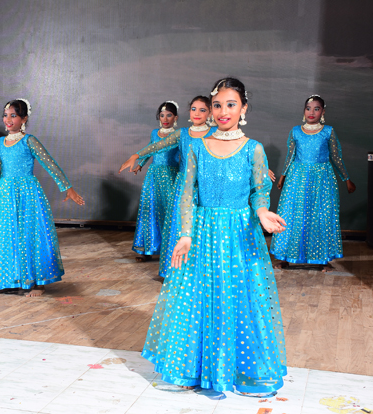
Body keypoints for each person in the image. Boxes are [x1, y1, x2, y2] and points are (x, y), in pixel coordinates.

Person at [142, 78, 287, 396]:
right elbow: (187, 194)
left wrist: (263, 212)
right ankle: (190, 368)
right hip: (202, 233)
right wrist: (185, 234)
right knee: (195, 298)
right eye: (218, 105)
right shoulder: (198, 147)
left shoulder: (253, 148)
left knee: (240, 298)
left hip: (239, 233)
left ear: (243, 109)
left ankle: (244, 371)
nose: (223, 111)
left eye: (231, 105)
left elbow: (259, 191)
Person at [0, 99, 84, 297]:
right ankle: (9, 279)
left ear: (24, 119)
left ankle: (38, 283)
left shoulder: (29, 141)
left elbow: (49, 164)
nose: (8, 119)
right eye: (5, 115)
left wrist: (67, 188)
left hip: (27, 193)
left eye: (13, 115)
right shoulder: (0, 143)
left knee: (30, 234)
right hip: (6, 194)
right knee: (6, 235)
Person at [119, 96, 217, 275]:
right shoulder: (183, 133)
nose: (197, 113)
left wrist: (257, 166)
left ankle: (200, 270)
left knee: (202, 224)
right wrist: (136, 156)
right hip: (182, 185)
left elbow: (234, 150)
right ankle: (174, 271)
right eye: (193, 109)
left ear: (210, 113)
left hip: (206, 185)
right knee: (177, 225)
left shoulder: (215, 132)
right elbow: (158, 146)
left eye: (202, 110)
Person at [270, 95, 355, 271]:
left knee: (321, 216)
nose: (312, 112)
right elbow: (290, 156)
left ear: (322, 112)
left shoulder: (328, 131)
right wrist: (283, 176)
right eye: (308, 108)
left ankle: (323, 260)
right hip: (297, 178)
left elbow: (336, 157)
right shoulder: (295, 131)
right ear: (304, 111)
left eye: (316, 109)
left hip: (322, 179)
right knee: (291, 215)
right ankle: (285, 257)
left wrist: (346, 179)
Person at [127, 101, 180, 262]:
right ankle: (148, 249)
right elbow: (151, 148)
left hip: (171, 175)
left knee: (170, 211)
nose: (165, 119)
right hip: (154, 176)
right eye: (162, 115)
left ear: (175, 117)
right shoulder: (154, 133)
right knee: (150, 209)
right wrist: (140, 164)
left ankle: (171, 251)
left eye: (169, 115)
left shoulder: (179, 135)